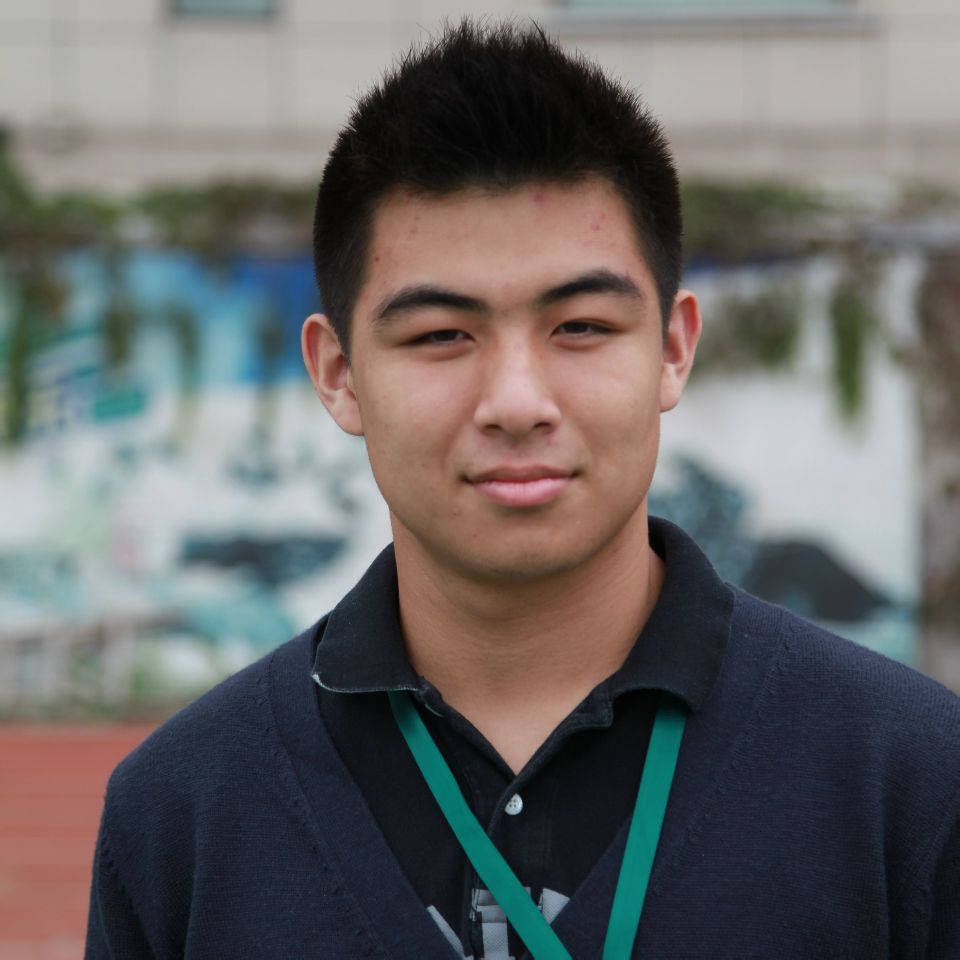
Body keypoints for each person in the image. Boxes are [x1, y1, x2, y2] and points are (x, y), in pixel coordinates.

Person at [85, 20, 959, 960]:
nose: (516, 402)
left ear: (672, 348)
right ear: (338, 374)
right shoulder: (179, 813)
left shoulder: (912, 781)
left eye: (580, 326)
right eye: (440, 336)